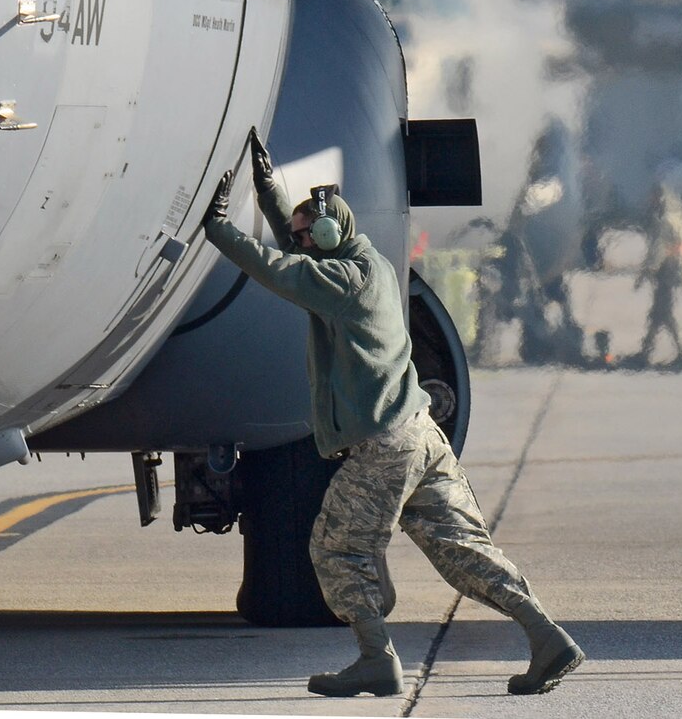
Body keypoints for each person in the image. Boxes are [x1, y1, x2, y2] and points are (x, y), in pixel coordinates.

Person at [201, 130, 584, 698]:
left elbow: (276, 267)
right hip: (420, 436)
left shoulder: (343, 280)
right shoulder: (367, 263)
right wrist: (267, 189)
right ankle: (547, 636)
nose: (301, 242)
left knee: (335, 549)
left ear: (331, 233)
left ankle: (376, 659)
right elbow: (294, 246)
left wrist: (216, 226)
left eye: (310, 233)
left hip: (384, 446)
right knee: (463, 549)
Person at [635, 184, 682, 369]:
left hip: (666, 273)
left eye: (652, 197)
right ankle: (646, 352)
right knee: (660, 315)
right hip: (668, 272)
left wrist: (646, 272)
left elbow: (657, 251)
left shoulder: (662, 221)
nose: (649, 200)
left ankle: (672, 355)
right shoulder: (667, 219)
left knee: (662, 315)